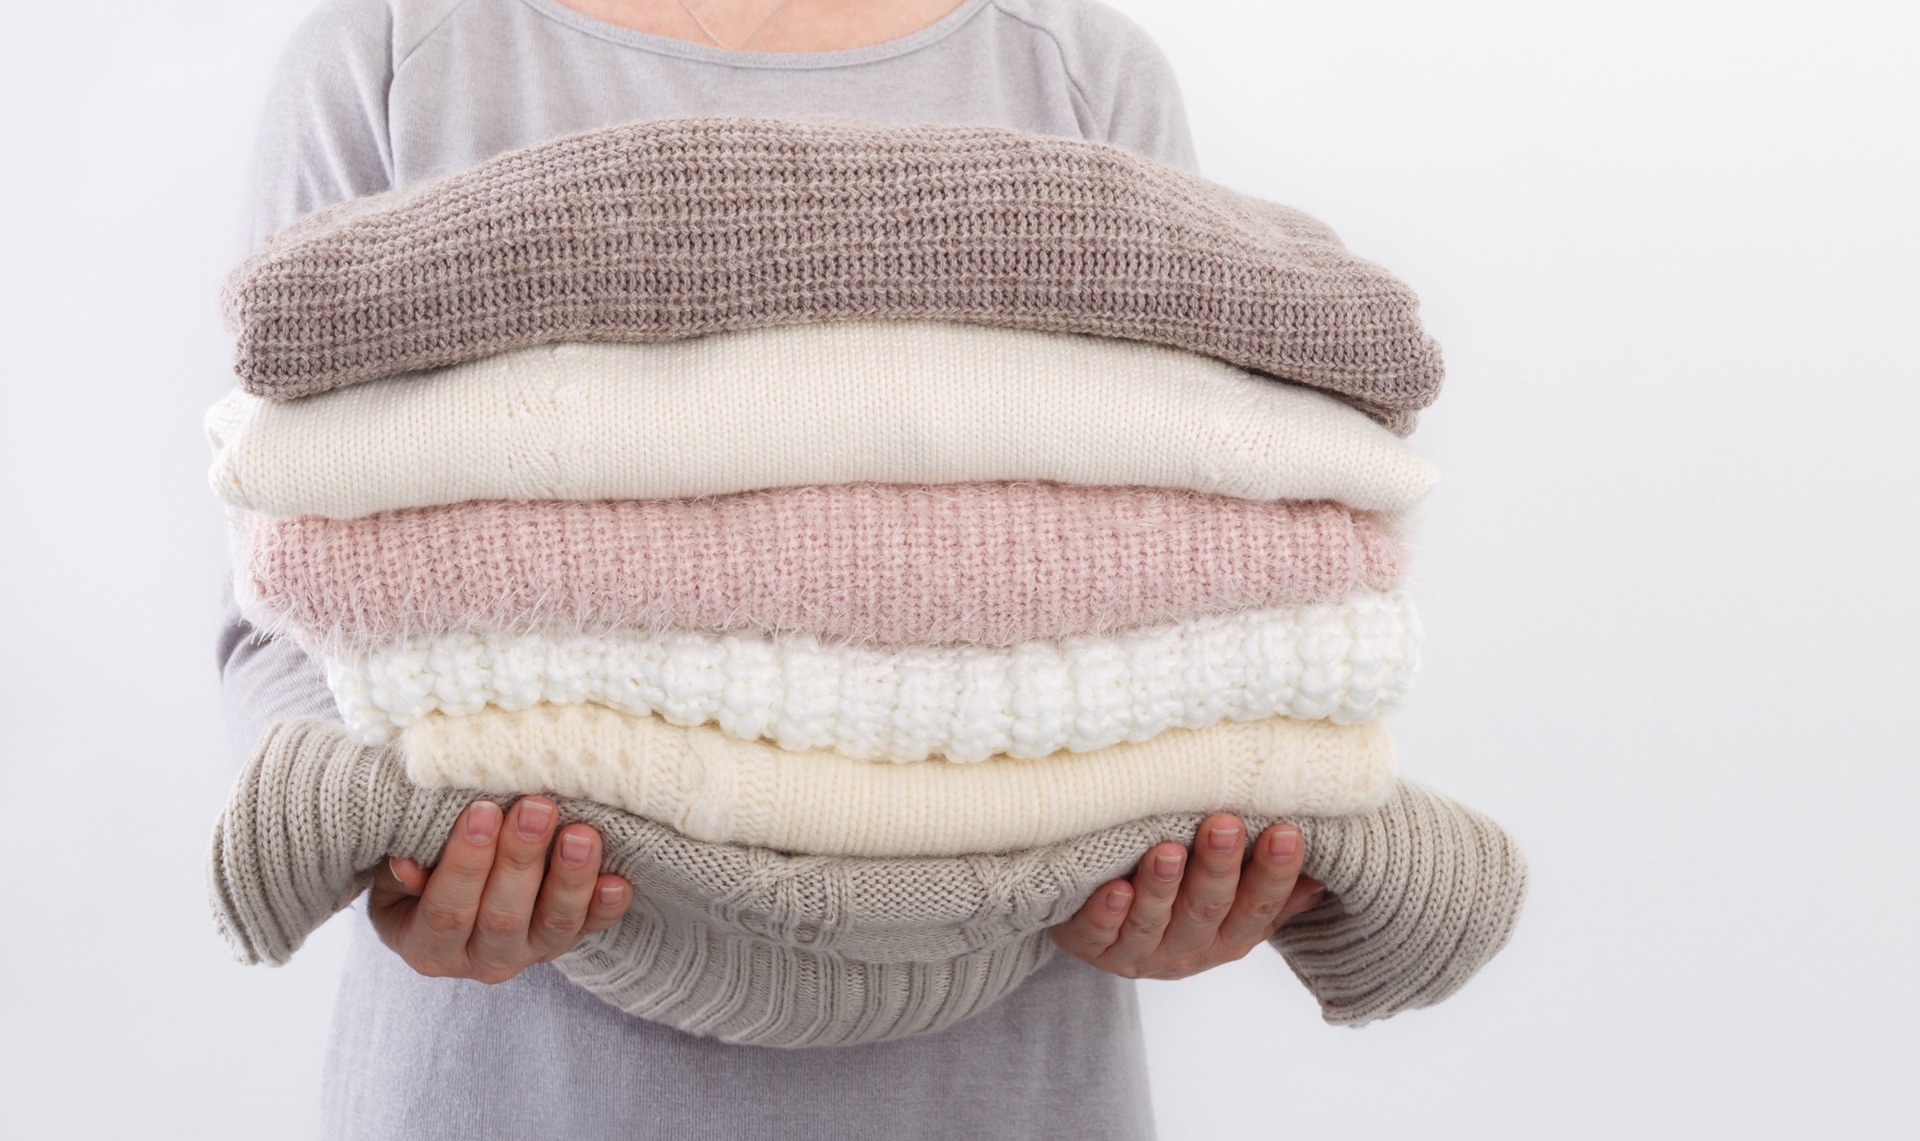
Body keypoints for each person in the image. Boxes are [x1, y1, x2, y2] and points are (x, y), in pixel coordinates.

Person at [221, 1, 1324, 1136]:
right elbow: (284, 596)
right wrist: (384, 842)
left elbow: (1197, 570)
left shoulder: (1083, 74)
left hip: (997, 1096)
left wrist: (1195, 849)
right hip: (517, 1092)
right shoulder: (396, 54)